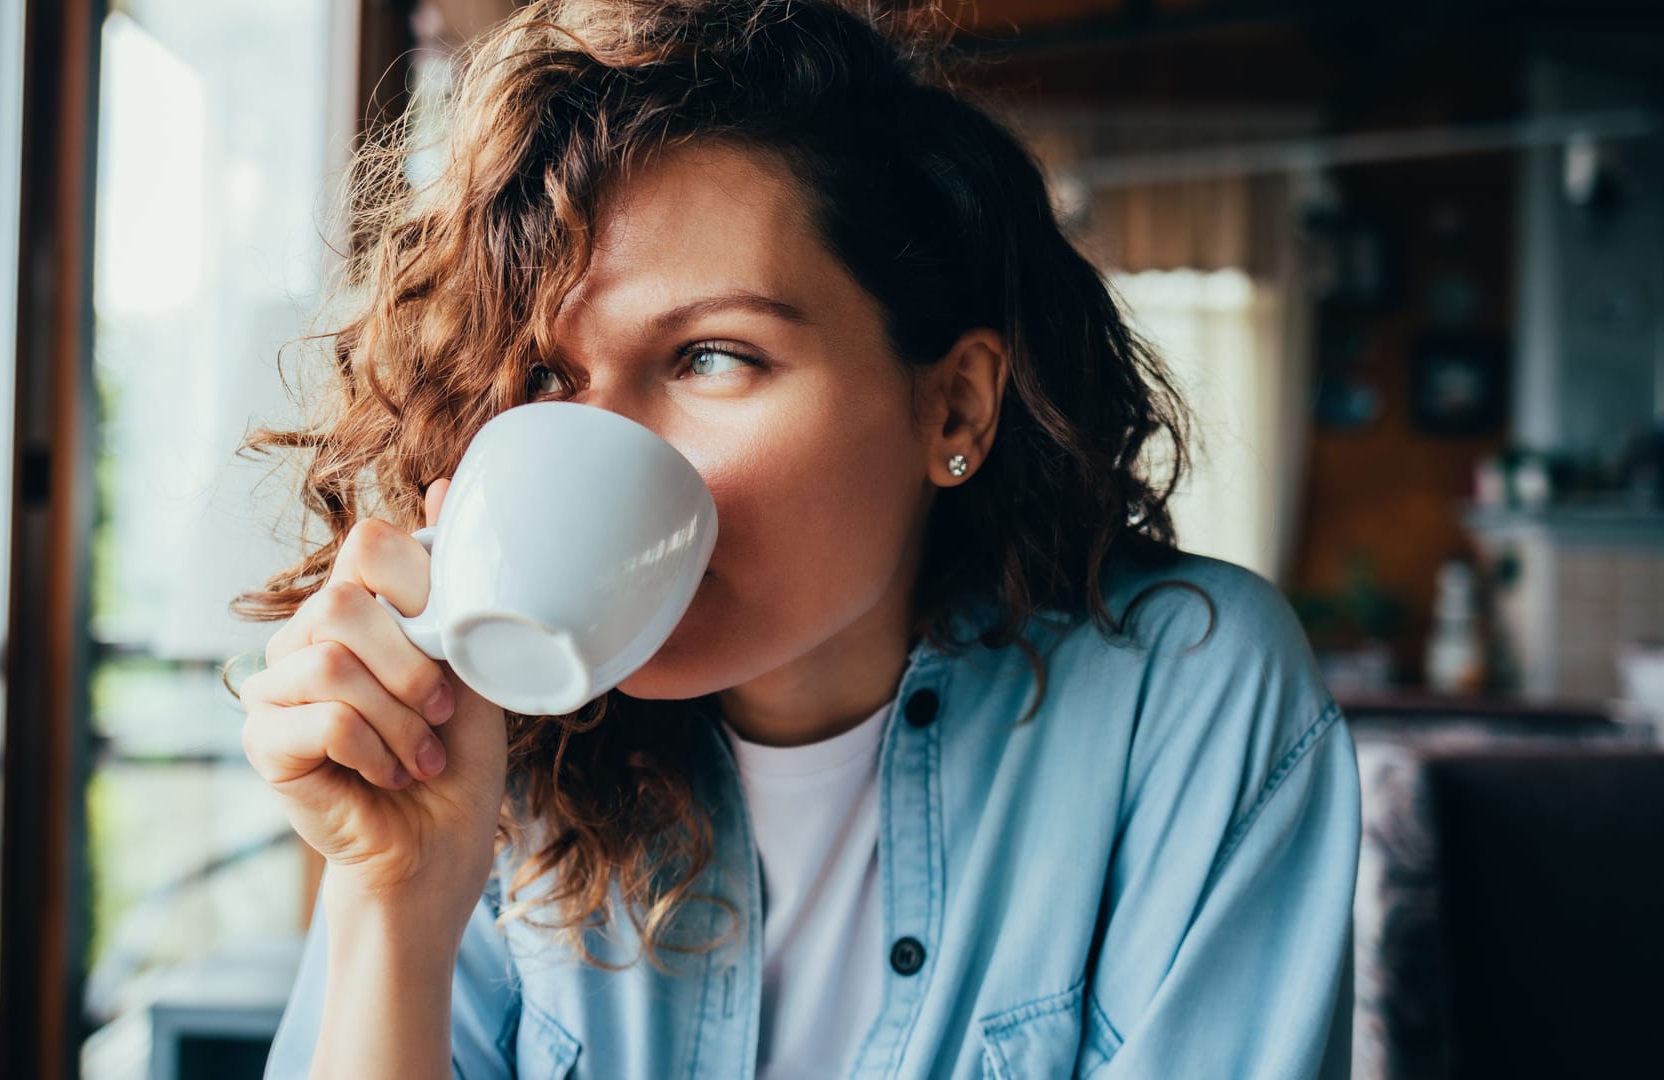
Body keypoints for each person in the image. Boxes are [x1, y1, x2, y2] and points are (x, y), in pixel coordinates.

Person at [234, 1, 1362, 1076]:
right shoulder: (484, 751)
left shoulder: (1182, 696)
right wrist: (394, 908)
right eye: (544, 378)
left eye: (713, 356)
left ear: (953, 408)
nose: (602, 452)